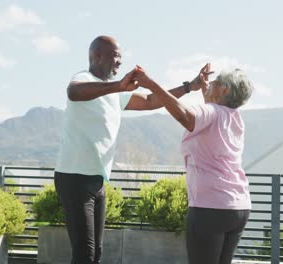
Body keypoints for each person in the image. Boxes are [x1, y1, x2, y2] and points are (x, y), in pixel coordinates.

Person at [53, 35, 204, 264]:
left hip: (97, 179)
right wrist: (118, 85)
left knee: (96, 254)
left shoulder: (115, 93)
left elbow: (151, 100)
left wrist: (189, 87)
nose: (119, 62)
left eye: (121, 57)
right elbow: (73, 92)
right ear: (97, 56)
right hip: (74, 177)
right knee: (84, 254)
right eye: (115, 56)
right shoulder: (83, 78)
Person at [133, 63, 253, 264]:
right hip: (238, 208)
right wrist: (207, 93)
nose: (212, 83)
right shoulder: (234, 118)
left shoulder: (213, 113)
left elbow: (185, 116)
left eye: (217, 82)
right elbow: (210, 115)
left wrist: (151, 84)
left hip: (211, 208)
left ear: (225, 90)